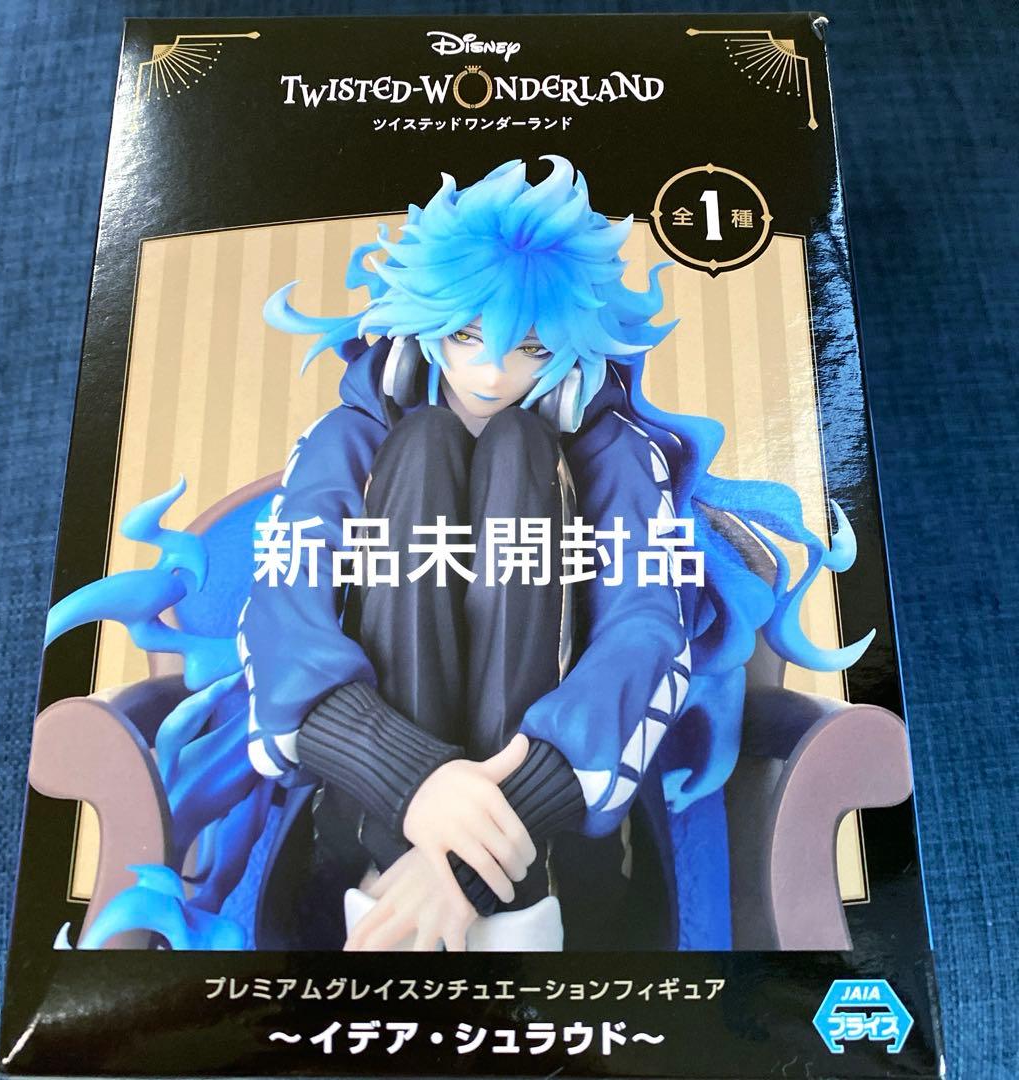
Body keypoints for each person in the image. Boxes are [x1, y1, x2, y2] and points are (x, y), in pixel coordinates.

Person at [46, 156, 870, 952]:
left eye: (533, 348)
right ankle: (417, 879)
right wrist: (413, 783)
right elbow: (283, 621)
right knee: (425, 445)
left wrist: (471, 864)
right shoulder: (347, 440)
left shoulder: (618, 456)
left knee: (519, 451)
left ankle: (480, 898)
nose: (492, 372)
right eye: (467, 335)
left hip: (562, 869)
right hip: (356, 842)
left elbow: (646, 635)